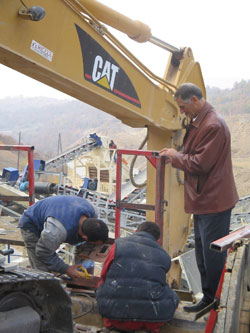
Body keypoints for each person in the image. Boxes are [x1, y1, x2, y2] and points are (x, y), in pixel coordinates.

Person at [159, 83, 239, 313]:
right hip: (204, 199)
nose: (182, 112)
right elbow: (193, 153)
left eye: (183, 107)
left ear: (195, 100)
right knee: (203, 255)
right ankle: (209, 298)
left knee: (212, 256)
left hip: (214, 201)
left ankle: (214, 301)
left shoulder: (213, 125)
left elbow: (200, 163)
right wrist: (178, 153)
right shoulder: (200, 121)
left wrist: (175, 156)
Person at [96, 221, 179, 332]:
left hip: (115, 318)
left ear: (136, 231)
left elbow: (104, 275)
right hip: (150, 321)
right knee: (173, 296)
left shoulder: (119, 245)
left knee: (101, 285)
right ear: (157, 240)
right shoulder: (164, 256)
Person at [18, 195, 109, 279]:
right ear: (84, 237)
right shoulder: (57, 230)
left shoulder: (93, 212)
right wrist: (66, 269)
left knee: (83, 250)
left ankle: (80, 279)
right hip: (32, 224)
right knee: (42, 272)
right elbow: (42, 252)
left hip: (56, 213)